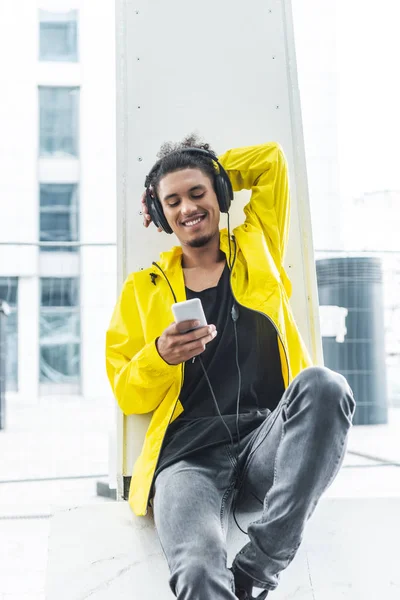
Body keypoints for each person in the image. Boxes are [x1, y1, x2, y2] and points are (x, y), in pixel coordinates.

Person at [105, 135, 355, 600]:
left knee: (325, 385)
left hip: (266, 444)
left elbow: (271, 162)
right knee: (197, 572)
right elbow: (126, 392)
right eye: (171, 202)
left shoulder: (258, 245)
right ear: (161, 216)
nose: (187, 208)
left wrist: (215, 171)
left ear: (218, 195)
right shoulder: (142, 289)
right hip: (188, 461)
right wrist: (159, 356)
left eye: (197, 193)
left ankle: (259, 568)